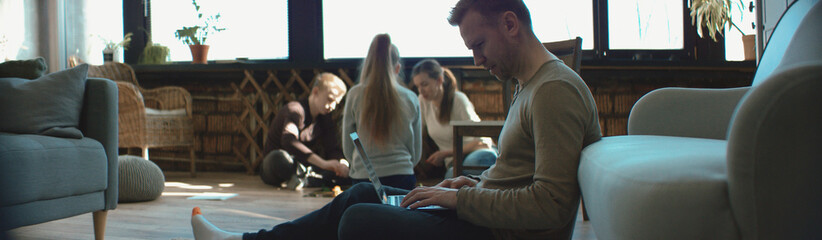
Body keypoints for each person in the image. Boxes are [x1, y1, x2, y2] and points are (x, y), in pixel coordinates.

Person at [190, 0, 601, 239]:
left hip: (497, 233)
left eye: (479, 44)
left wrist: (462, 199)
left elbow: (550, 207)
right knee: (359, 196)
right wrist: (470, 183)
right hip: (482, 214)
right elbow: (522, 178)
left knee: (357, 219)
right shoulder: (529, 85)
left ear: (510, 24)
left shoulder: (553, 91)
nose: (476, 59)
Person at [340, 33, 422, 191]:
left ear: (368, 65)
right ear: (397, 68)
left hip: (364, 178)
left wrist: (361, 162)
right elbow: (415, 152)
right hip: (402, 176)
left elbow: (349, 142)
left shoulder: (355, 95)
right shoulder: (411, 98)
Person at [259, 72, 350, 190]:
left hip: (303, 166)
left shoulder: (325, 117)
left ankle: (304, 180)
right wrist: (323, 164)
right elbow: (289, 141)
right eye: (330, 99)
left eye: (336, 103)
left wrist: (341, 163)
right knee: (278, 157)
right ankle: (308, 179)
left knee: (344, 173)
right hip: (277, 166)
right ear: (316, 92)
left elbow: (332, 147)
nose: (332, 106)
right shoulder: (295, 110)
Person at [411, 59, 497, 179]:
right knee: (452, 175)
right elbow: (418, 132)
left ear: (439, 80)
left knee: (460, 172)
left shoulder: (458, 100)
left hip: (478, 153)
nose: (421, 90)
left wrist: (445, 153)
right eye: (418, 86)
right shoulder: (423, 101)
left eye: (424, 84)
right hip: (454, 162)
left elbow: (482, 141)